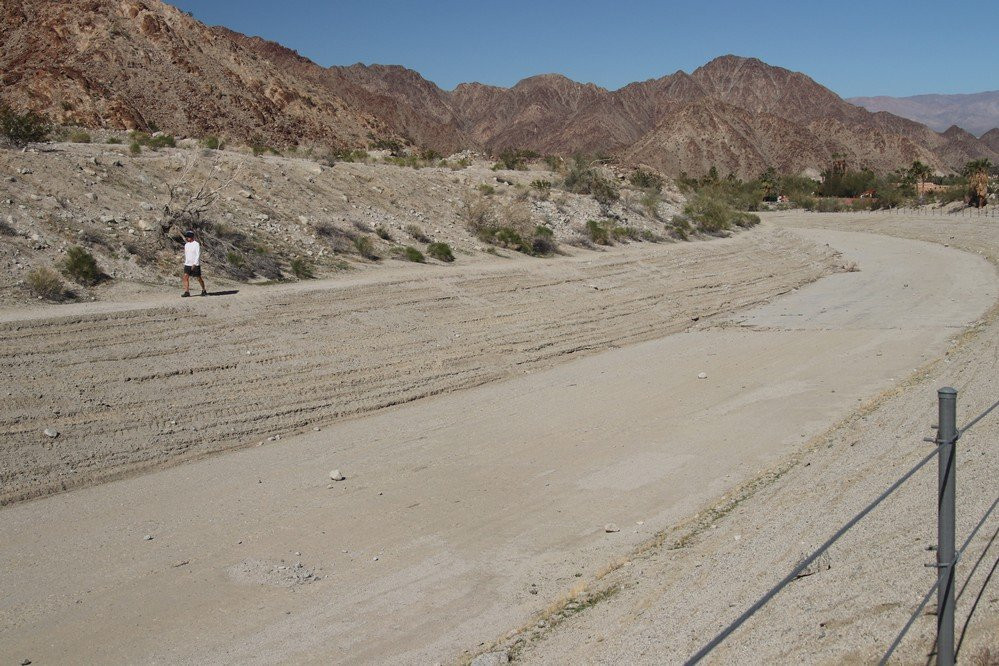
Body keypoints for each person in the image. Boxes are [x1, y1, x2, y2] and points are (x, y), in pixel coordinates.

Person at [182, 230, 207, 297]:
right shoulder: (186, 245)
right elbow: (186, 254)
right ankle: (187, 292)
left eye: (188, 237)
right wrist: (186, 262)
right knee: (185, 277)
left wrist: (195, 263)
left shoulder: (196, 244)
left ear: (192, 237)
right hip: (187, 264)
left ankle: (204, 290)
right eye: (187, 237)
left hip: (195, 264)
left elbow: (198, 254)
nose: (187, 238)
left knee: (198, 278)